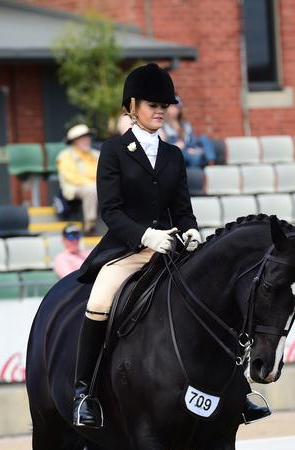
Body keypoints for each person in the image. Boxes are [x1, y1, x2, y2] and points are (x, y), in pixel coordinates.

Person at [73, 63, 270, 428]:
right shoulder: (114, 151)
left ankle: (238, 390)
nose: (161, 110)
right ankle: (83, 394)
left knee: (215, 298)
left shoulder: (174, 155)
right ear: (131, 106)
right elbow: (111, 211)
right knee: (99, 301)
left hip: (172, 249)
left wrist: (190, 231)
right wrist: (145, 236)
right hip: (128, 251)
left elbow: (182, 209)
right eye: (153, 104)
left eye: (165, 104)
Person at [57, 124, 100, 234]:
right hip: (75, 188)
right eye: (82, 139)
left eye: (87, 137)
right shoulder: (65, 156)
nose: (86, 141)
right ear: (74, 141)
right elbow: (72, 178)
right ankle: (90, 225)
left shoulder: (96, 154)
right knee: (91, 190)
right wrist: (94, 183)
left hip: (97, 185)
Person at [162, 96, 217, 167]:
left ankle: (211, 163)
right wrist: (185, 148)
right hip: (178, 151)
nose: (175, 109)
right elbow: (165, 145)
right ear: (167, 108)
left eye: (177, 107)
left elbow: (193, 139)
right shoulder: (164, 125)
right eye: (172, 107)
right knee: (196, 157)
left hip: (189, 146)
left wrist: (192, 148)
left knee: (204, 138)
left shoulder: (184, 124)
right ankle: (197, 173)